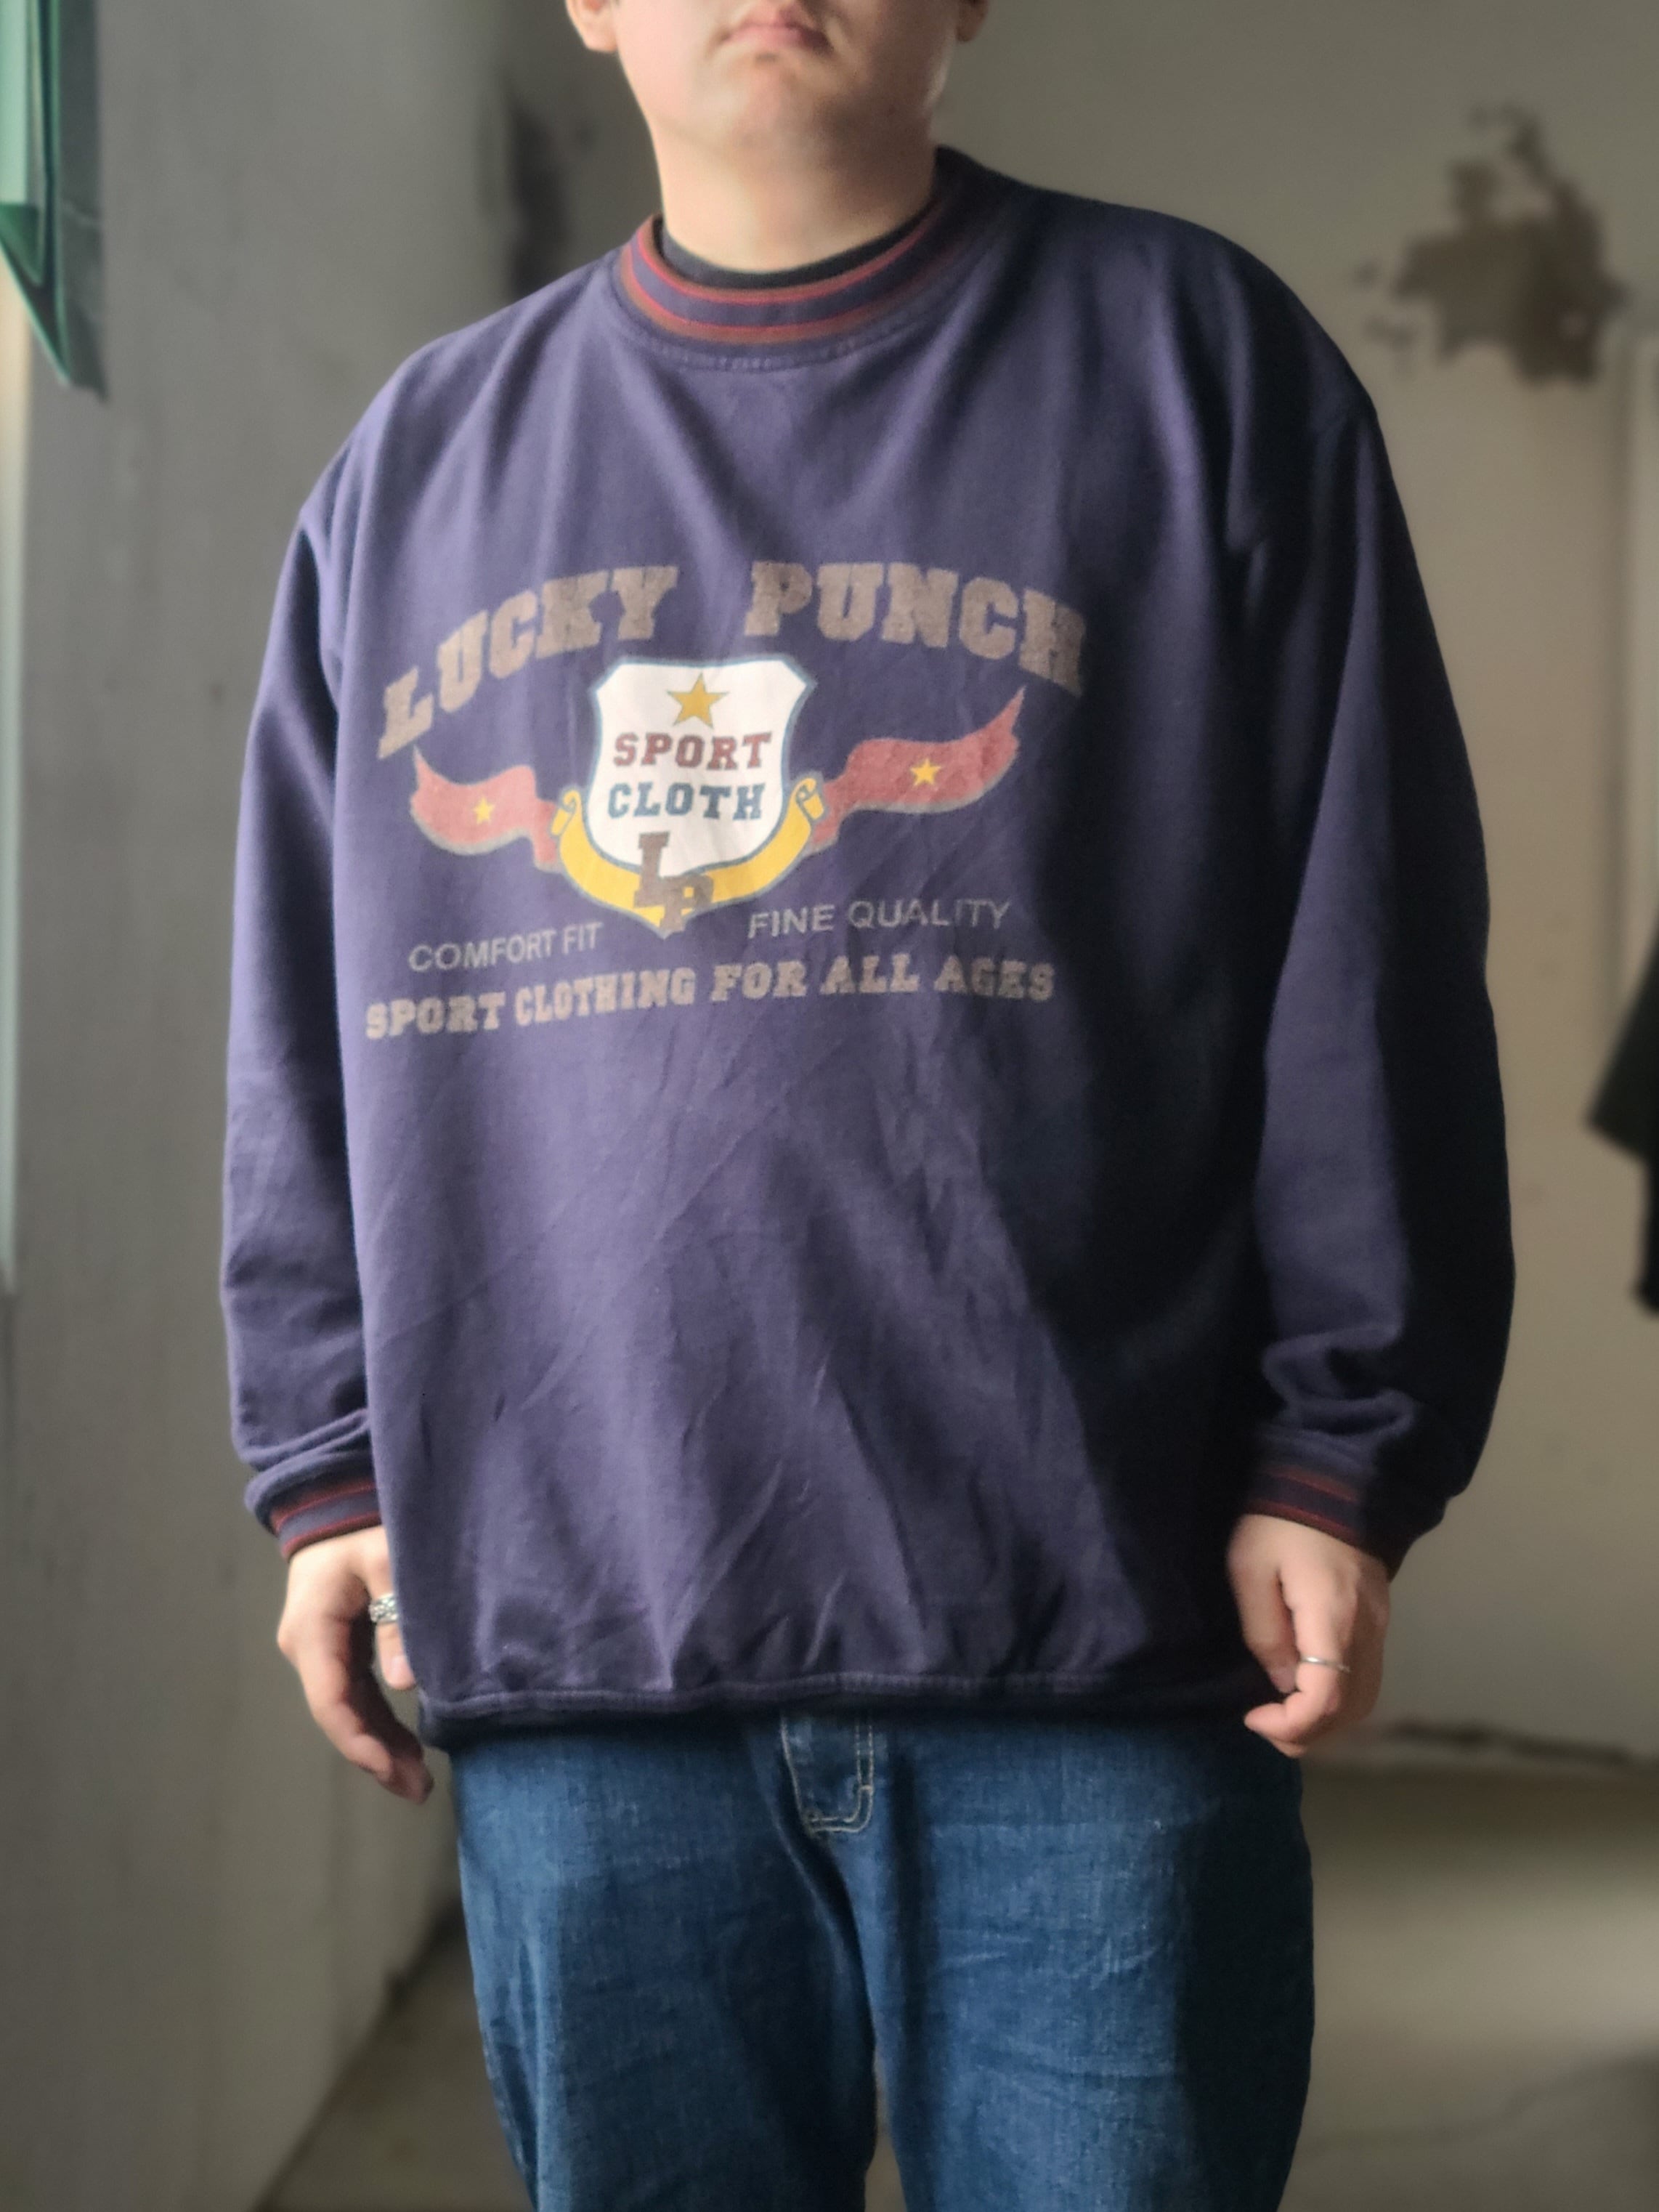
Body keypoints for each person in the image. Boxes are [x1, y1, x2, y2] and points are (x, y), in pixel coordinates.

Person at [221, 3, 1514, 2206]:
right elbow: (297, 1004)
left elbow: (1364, 931)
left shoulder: (1197, 365)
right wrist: (326, 1461)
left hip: (1094, 1620)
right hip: (590, 1634)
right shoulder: (417, 466)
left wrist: (1342, 1446)